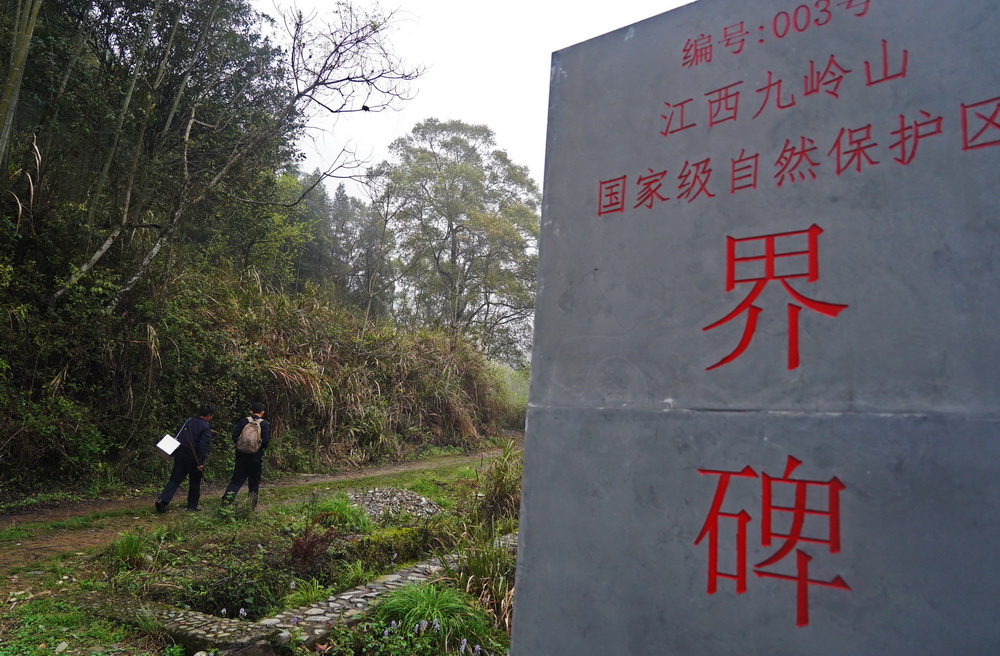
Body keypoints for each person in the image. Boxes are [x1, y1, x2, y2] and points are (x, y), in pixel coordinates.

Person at [155, 405, 214, 513]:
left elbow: (178, 434)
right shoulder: (205, 427)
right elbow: (203, 446)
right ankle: (192, 505)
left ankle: (162, 500)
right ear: (209, 415)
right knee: (195, 481)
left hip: (181, 453)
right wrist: (201, 461)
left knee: (174, 479)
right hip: (194, 456)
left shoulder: (188, 421)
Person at [220, 402, 271, 509]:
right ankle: (251, 507)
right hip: (255, 458)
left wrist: (241, 446)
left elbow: (235, 436)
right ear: (262, 412)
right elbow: (265, 441)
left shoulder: (244, 421)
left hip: (241, 456)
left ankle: (226, 502)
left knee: (236, 481)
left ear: (251, 411)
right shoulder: (264, 424)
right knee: (253, 483)